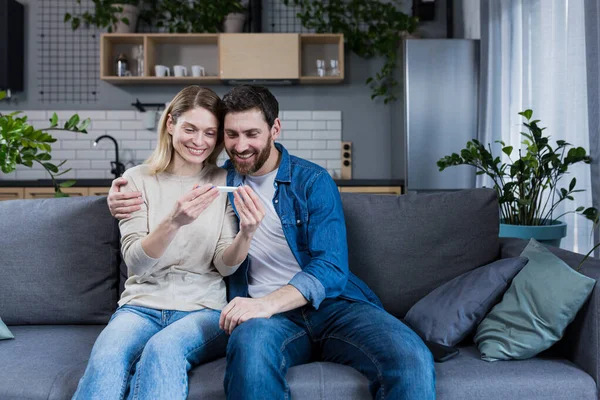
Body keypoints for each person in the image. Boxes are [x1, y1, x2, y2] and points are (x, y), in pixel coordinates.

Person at [108, 85, 435, 400]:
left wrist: (266, 303)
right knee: (249, 362)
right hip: (264, 318)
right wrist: (113, 197)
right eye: (231, 135)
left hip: (332, 307)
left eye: (252, 134)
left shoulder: (312, 181)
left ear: (274, 128)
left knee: (410, 358)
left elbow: (331, 268)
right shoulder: (223, 180)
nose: (240, 146)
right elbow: (172, 185)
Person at [74, 86, 264, 400]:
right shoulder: (136, 180)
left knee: (163, 349)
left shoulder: (225, 182)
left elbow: (225, 265)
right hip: (141, 305)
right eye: (190, 128)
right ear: (171, 124)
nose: (199, 141)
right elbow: (136, 262)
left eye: (209, 133)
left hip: (203, 309)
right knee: (107, 358)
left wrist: (246, 234)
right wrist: (174, 221)